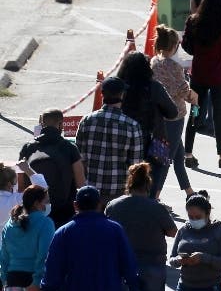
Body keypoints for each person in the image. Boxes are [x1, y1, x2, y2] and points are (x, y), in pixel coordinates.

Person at [105, 162, 177, 291]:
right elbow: (172, 231)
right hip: (153, 265)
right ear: (148, 185)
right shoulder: (156, 207)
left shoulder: (115, 206)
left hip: (126, 267)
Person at [183, 0, 221, 169]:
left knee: (195, 113)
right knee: (218, 116)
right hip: (218, 76)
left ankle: (188, 153)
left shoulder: (193, 22)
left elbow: (186, 45)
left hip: (198, 75)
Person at [75, 76, 144, 207]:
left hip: (89, 192)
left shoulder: (86, 121)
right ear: (122, 95)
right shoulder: (132, 125)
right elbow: (136, 165)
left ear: (102, 94)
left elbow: (79, 158)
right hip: (118, 193)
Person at [118, 51, 180, 187]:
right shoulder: (154, 87)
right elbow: (173, 112)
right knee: (153, 178)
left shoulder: (120, 87)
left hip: (123, 140)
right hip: (154, 142)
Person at [150, 26, 196, 198]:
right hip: (175, 117)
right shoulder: (175, 67)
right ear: (175, 46)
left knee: (177, 155)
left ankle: (189, 192)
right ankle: (155, 196)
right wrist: (194, 97)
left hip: (159, 117)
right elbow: (183, 91)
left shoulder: (154, 62)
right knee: (166, 159)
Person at [18, 108, 85, 226]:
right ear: (61, 125)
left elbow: (21, 182)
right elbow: (80, 183)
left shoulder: (28, 148)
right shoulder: (70, 148)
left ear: (41, 124)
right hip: (64, 212)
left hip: (34, 210)